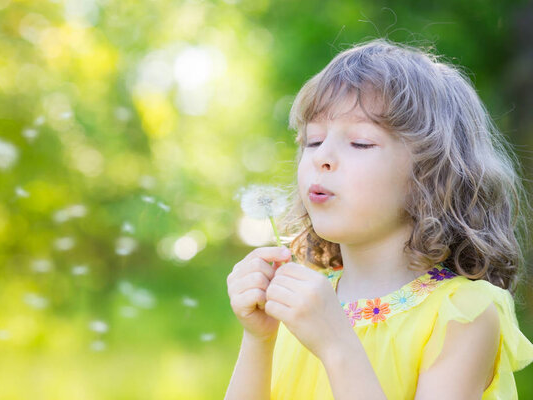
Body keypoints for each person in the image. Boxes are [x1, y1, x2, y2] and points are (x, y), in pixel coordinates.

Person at [225, 38, 533, 399]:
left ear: (430, 177)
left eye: (360, 143)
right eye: (312, 140)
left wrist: (337, 346)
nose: (322, 157)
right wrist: (259, 337)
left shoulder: (463, 315)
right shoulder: (305, 302)